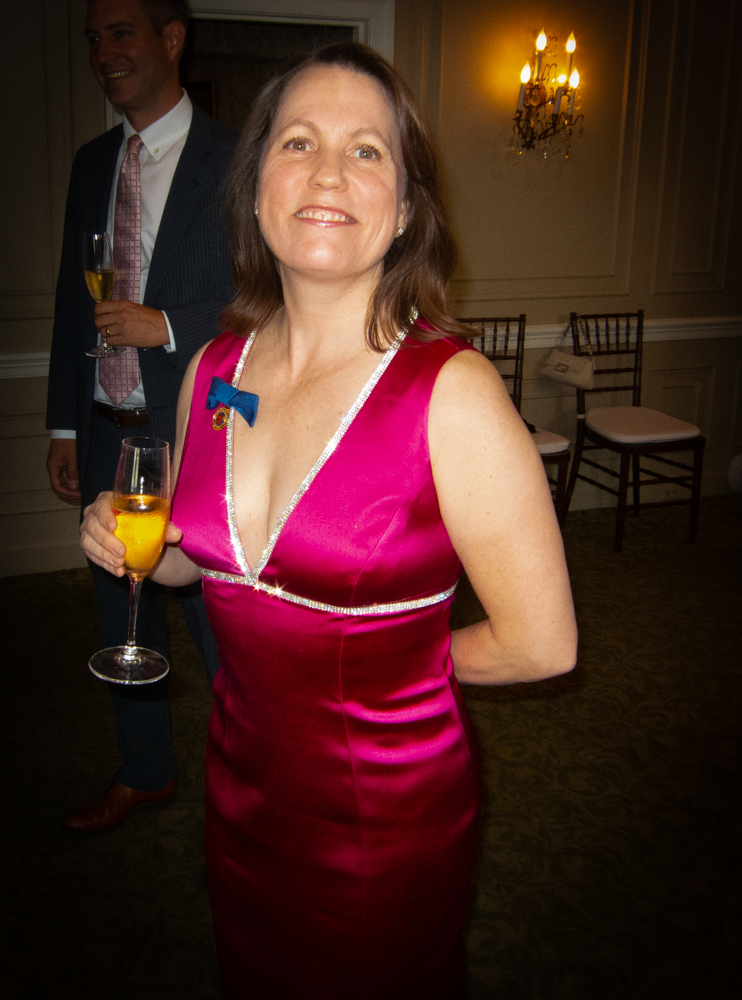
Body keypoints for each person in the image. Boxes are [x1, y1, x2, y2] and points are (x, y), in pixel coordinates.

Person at [82, 41, 577, 997]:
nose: (327, 172)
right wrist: (130, 542)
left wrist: (397, 674)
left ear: (406, 209)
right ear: (256, 186)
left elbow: (543, 644)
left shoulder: (453, 393)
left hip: (379, 828)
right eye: (299, 142)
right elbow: (195, 560)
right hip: (239, 798)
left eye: (367, 151)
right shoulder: (211, 370)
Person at [46, 0, 238, 830]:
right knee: (120, 617)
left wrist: (167, 325)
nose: (104, 52)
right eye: (95, 38)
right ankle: (146, 769)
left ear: (171, 38)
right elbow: (72, 301)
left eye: (121, 32)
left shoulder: (237, 159)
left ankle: (257, 774)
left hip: (194, 433)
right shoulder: (93, 163)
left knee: (215, 620)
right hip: (106, 434)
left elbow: (270, 300)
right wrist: (64, 424)